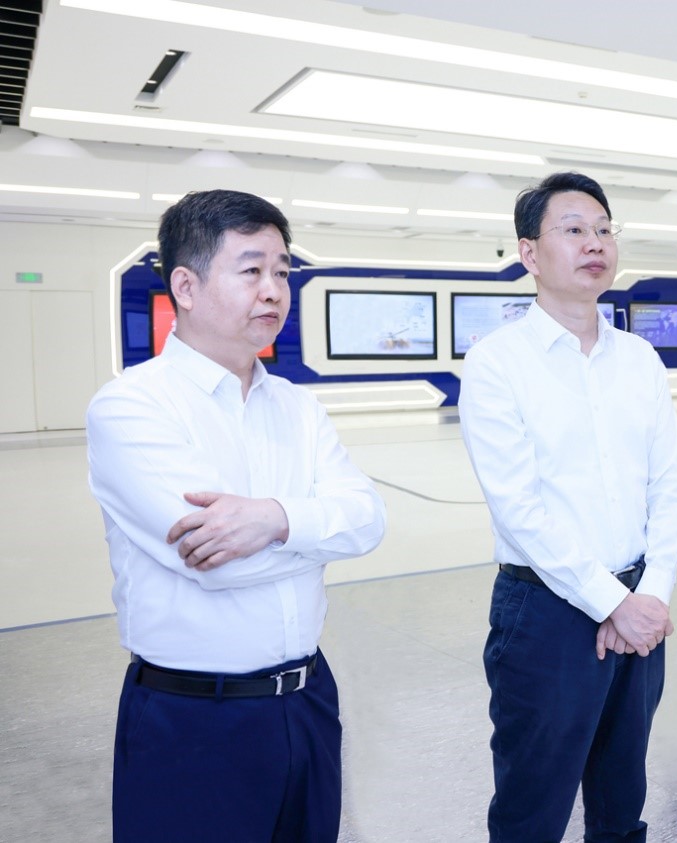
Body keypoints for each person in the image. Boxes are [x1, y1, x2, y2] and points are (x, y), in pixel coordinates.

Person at [86, 189, 387, 843]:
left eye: (282, 271)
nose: (274, 290)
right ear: (186, 287)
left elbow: (367, 519)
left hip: (308, 703)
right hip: (194, 719)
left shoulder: (298, 408)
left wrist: (275, 519)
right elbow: (215, 564)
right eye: (251, 270)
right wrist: (316, 526)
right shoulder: (131, 407)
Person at [458, 171, 677, 843]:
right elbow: (519, 508)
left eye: (604, 229)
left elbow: (670, 484)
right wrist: (611, 602)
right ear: (529, 253)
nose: (595, 243)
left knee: (622, 803)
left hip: (640, 605)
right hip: (545, 614)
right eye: (574, 229)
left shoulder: (640, 360)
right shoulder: (498, 363)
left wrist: (650, 595)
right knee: (533, 808)